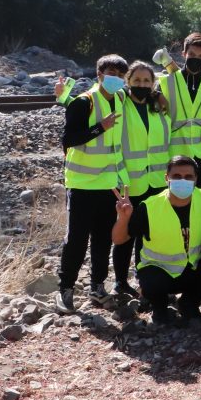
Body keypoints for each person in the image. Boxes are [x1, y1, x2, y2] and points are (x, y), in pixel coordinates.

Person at [112, 155, 201, 325]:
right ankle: (160, 308)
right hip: (160, 273)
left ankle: (189, 303)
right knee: (152, 282)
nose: (183, 180)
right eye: (177, 176)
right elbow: (118, 239)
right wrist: (123, 218)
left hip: (192, 270)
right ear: (167, 178)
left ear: (196, 179)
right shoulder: (149, 206)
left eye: (188, 177)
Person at [58, 54, 130, 313]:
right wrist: (100, 127)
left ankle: (97, 287)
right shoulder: (84, 102)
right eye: (111, 74)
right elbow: (69, 139)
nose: (116, 80)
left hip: (109, 184)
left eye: (121, 76)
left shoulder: (121, 98)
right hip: (82, 184)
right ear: (99, 74)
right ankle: (65, 289)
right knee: (76, 240)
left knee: (102, 240)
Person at [109, 60, 172, 298]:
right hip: (129, 182)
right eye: (136, 81)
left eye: (146, 81)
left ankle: (145, 282)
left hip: (156, 182)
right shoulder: (121, 104)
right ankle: (120, 282)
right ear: (128, 82)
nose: (142, 85)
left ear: (153, 83)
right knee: (125, 235)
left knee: (148, 236)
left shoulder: (158, 107)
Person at [155, 33, 201, 191]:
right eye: (192, 54)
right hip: (175, 157)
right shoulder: (165, 84)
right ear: (184, 54)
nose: (196, 59)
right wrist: (156, 94)